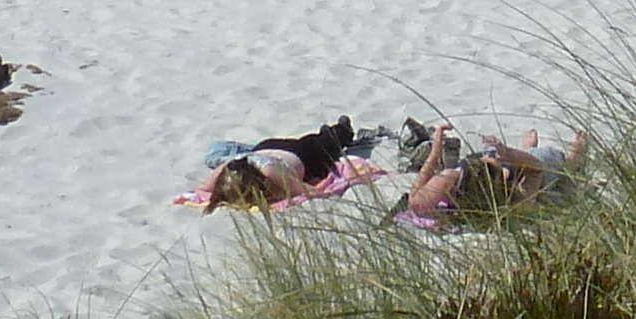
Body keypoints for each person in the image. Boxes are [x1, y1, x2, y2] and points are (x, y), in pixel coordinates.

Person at [400, 123, 582, 226]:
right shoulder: (518, 198)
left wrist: (435, 152)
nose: (487, 156)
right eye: (489, 157)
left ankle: (524, 149)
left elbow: (415, 202)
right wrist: (510, 154)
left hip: (512, 170)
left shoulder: (452, 178)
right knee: (556, 160)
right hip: (537, 170)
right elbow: (536, 168)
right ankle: (575, 159)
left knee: (503, 151)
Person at [198, 115, 363, 210]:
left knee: (329, 145)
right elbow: (202, 190)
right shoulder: (227, 167)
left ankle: (342, 129)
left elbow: (312, 191)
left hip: (303, 154)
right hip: (263, 147)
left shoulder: (272, 173)